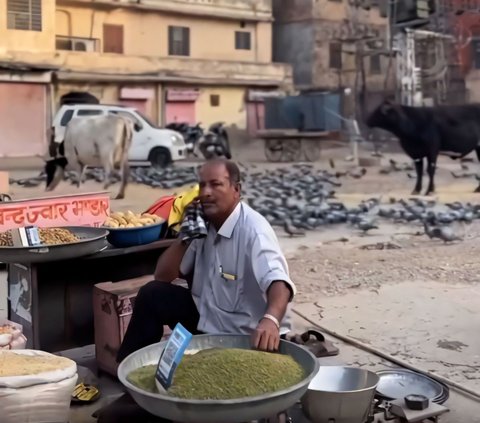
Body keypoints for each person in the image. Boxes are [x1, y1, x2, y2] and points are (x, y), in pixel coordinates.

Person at [117, 159, 296, 362]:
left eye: (216, 184)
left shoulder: (254, 229)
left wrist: (271, 320)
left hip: (244, 336)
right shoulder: (202, 226)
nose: (205, 193)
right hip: (208, 323)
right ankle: (128, 370)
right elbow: (163, 275)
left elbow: (279, 281)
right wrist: (185, 236)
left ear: (236, 190)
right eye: (202, 185)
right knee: (153, 294)